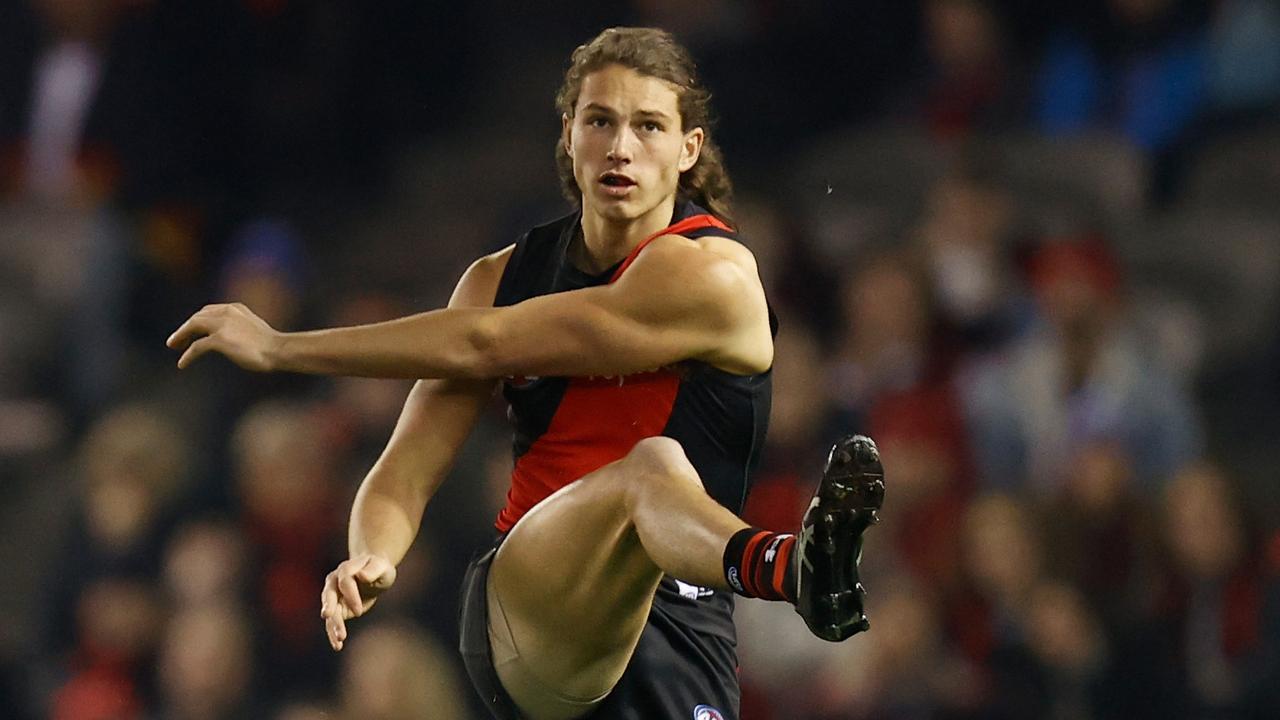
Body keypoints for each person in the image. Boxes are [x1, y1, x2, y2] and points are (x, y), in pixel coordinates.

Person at [167, 27, 885, 720]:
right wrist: (372, 554)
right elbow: (410, 464)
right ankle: (793, 570)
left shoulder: (715, 278)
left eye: (648, 127)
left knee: (652, 482)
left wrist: (285, 346)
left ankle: (790, 570)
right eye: (600, 121)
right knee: (651, 468)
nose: (621, 148)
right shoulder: (499, 280)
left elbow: (487, 343)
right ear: (568, 134)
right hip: (530, 610)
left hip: (682, 629)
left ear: (688, 148)